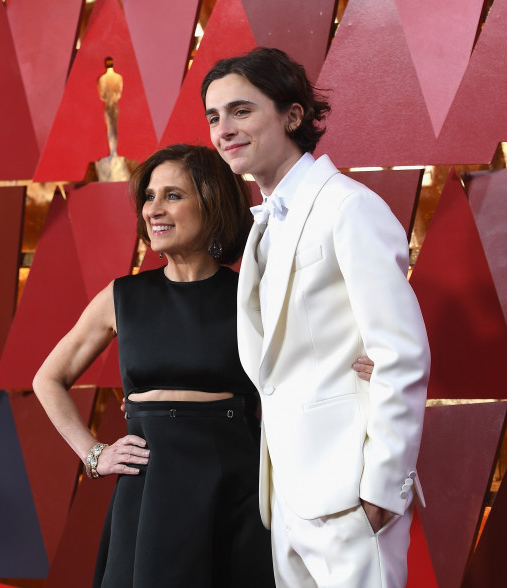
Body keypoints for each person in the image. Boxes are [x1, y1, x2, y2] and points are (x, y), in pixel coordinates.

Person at [32, 143, 373, 587]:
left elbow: (316, 361)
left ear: (211, 204)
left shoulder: (256, 294)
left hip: (234, 480)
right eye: (149, 197)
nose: (154, 209)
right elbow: (48, 379)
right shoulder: (122, 297)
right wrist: (93, 454)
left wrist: (374, 366)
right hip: (150, 485)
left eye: (173, 195)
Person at [202, 47, 431, 587]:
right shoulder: (261, 225)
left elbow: (401, 353)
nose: (223, 129)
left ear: (293, 115)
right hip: (287, 497)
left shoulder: (348, 207)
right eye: (213, 117)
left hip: (351, 493)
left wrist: (381, 487)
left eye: (240, 110)